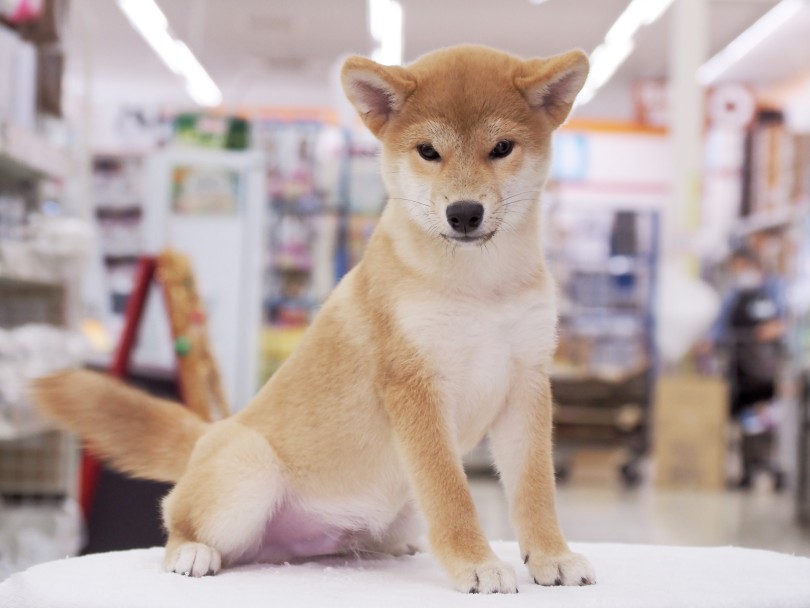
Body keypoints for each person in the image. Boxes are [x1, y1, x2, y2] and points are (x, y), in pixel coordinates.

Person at [700, 248, 786, 490]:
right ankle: (748, 469)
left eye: (741, 266)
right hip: (740, 368)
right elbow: (720, 325)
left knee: (766, 419)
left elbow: (786, 321)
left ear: (753, 264)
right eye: (735, 268)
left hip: (768, 370)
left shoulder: (776, 290)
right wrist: (709, 341)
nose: (739, 272)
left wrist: (777, 328)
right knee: (743, 419)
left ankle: (767, 462)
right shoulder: (735, 295)